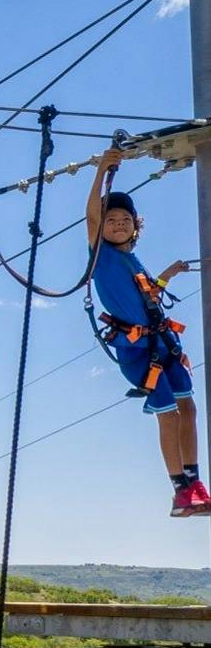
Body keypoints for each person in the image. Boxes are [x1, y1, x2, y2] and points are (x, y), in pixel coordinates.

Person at [86, 147, 208, 515]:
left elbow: (148, 295)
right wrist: (102, 171)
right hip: (138, 351)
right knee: (168, 413)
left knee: (188, 408)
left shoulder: (133, 259)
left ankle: (194, 481)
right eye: (111, 220)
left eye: (125, 219)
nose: (118, 224)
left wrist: (169, 273)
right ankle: (180, 490)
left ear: (136, 226)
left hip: (163, 342)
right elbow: (91, 216)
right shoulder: (102, 256)